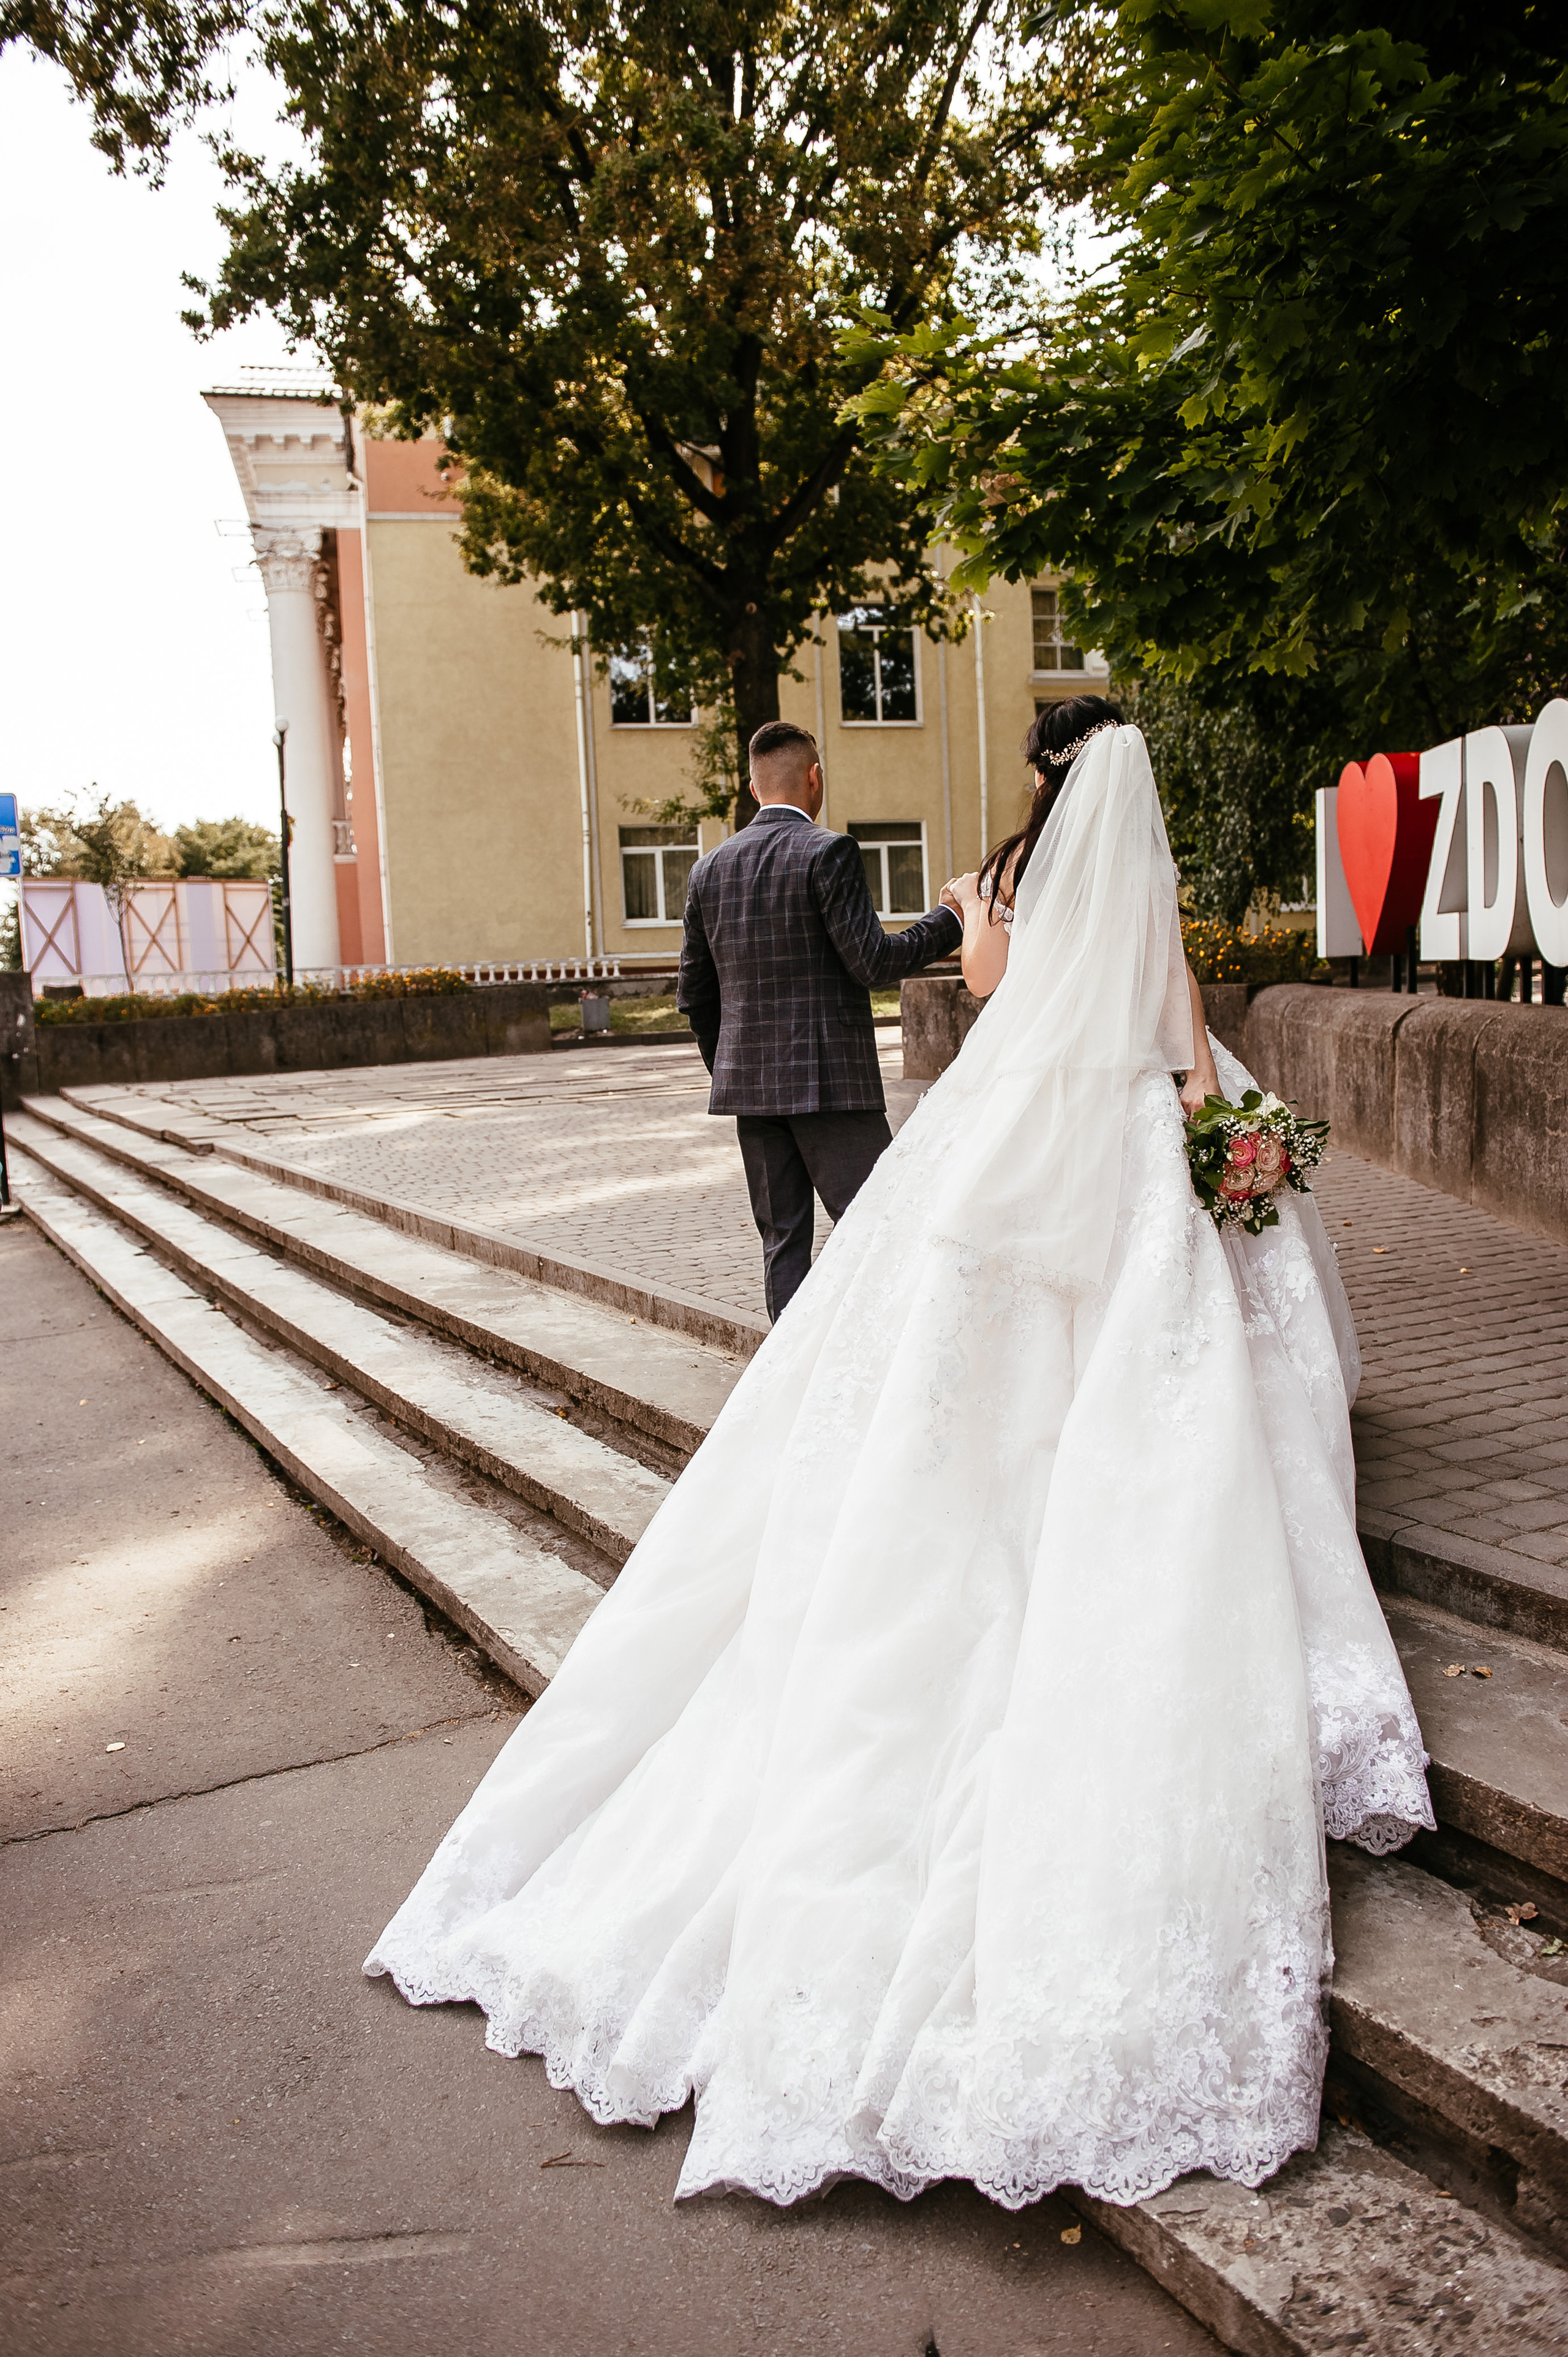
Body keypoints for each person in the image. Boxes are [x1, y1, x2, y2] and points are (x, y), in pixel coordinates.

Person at [368, 697, 1433, 2214]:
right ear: (1128, 793)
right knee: (1156, 1357)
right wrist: (1209, 1124)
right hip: (1127, 1126)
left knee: (886, 1328)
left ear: (1041, 784)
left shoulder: (999, 876)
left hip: (983, 1128)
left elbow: (993, 995)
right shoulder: (1135, 890)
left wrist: (1005, 962)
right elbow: (1178, 1020)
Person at [674, 719, 962, 1321]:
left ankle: (789, 1391)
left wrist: (733, 1066)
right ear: (815, 778)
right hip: (830, 1085)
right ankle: (885, 1366)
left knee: (782, 1246)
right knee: (883, 1228)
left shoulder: (708, 871)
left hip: (750, 1092)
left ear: (755, 790)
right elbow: (873, 960)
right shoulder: (828, 851)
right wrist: (948, 921)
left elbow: (695, 998)